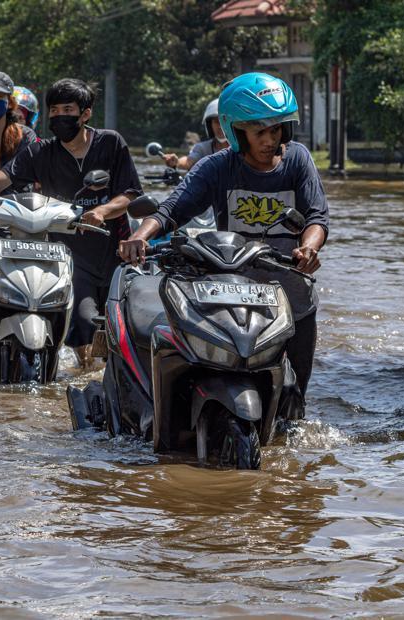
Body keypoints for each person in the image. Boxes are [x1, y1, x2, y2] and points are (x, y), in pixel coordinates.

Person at [118, 72, 328, 402]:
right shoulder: (216, 166)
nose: (270, 140)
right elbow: (171, 210)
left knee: (296, 397)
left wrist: (308, 249)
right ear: (236, 131)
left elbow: (316, 217)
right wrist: (140, 237)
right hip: (232, 293)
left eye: (276, 130)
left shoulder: (298, 160)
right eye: (260, 131)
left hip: (290, 292)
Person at [0, 78, 142, 368]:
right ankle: (84, 376)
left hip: (115, 252)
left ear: (85, 114)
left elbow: (130, 193)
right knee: (81, 328)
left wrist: (103, 211)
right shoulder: (41, 152)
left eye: (67, 109)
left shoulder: (110, 143)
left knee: (126, 331)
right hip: (68, 257)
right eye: (54, 110)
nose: (59, 116)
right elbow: (0, 179)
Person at [162, 98, 228, 170]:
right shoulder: (202, 148)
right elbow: (188, 162)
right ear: (209, 125)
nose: (220, 126)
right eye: (216, 121)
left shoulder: (241, 147)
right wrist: (176, 162)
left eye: (224, 121)